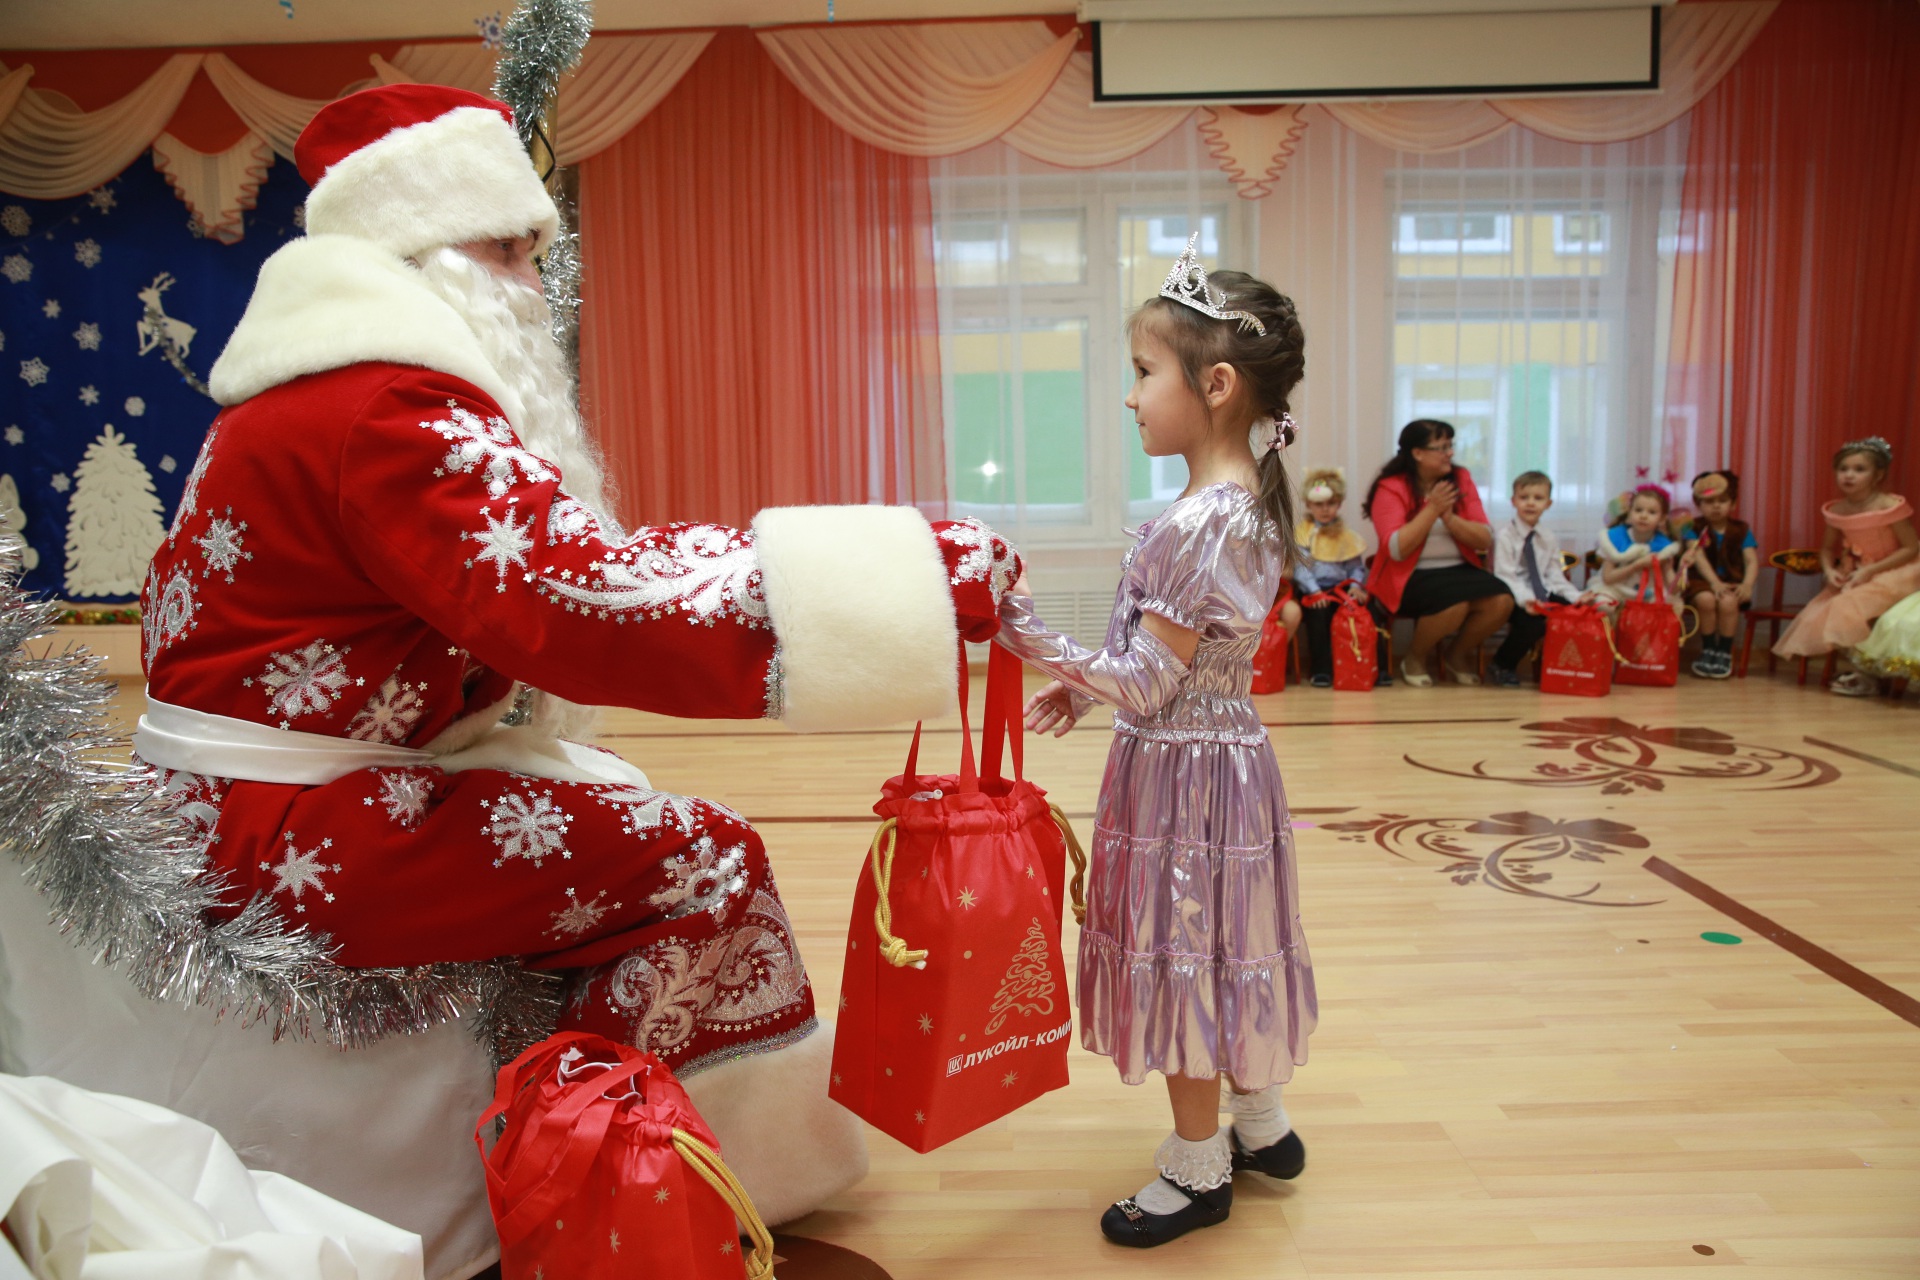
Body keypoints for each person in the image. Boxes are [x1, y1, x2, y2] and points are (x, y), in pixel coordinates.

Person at [132, 84, 1020, 1224]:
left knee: (602, 810)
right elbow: (581, 595)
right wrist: (921, 570)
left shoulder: (305, 395)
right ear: (424, 250)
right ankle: (635, 1168)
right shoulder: (390, 407)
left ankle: (590, 1120)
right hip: (293, 828)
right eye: (508, 249)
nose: (533, 285)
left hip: (248, 800)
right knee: (703, 857)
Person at [994, 241, 1314, 1247]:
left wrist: (1020, 623)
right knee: (1232, 938)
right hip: (1230, 757)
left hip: (1181, 776)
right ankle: (1261, 1120)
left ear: (1215, 385)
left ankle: (1197, 1166)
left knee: (1185, 952)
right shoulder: (1244, 501)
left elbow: (1147, 678)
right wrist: (1085, 694)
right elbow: (1186, 658)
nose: (1131, 396)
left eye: (1143, 371)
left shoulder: (1192, 523)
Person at [1361, 420, 1514, 687]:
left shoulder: (1460, 478)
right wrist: (1431, 510)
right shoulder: (1391, 486)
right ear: (1417, 453)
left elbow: (1485, 538)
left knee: (1501, 601)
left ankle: (1456, 655)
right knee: (1453, 604)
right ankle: (1414, 658)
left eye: (1450, 445)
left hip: (1459, 569)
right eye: (1441, 447)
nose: (1450, 453)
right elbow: (1396, 549)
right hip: (1408, 575)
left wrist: (1450, 518)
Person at [1773, 437, 1919, 696]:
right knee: (1829, 610)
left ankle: (1869, 674)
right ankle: (1867, 674)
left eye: (1859, 469)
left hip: (1898, 569)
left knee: (1845, 608)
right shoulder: (1838, 509)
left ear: (1878, 475)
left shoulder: (1888, 505)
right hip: (1858, 571)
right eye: (1843, 469)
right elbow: (1828, 548)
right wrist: (1830, 570)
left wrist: (1870, 571)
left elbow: (1911, 548)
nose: (1849, 475)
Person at [1488, 470, 1589, 686]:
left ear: (1548, 503)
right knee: (1533, 624)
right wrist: (1527, 601)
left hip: (1542, 590)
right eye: (1524, 498)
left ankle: (1565, 666)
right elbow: (1506, 575)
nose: (1531, 504)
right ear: (1513, 501)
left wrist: (1575, 596)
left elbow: (1554, 575)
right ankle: (1502, 663)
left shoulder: (1548, 537)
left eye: (1538, 498)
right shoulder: (1505, 536)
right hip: (1514, 593)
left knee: (1578, 612)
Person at [1292, 467, 1388, 688]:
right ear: (1309, 504)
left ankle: (1377, 668)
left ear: (1339, 504)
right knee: (1319, 614)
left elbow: (1355, 566)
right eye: (1319, 504)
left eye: (1331, 504)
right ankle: (1322, 670)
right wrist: (1314, 591)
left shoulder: (1346, 535)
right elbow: (1301, 568)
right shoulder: (1304, 532)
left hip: (1342, 589)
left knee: (1368, 613)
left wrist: (1356, 587)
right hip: (1315, 590)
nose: (1325, 509)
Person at [1682, 471, 1759, 679]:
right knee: (1706, 600)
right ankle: (1708, 649)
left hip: (1731, 581)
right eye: (1709, 501)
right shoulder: (1693, 528)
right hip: (1700, 581)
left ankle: (1723, 651)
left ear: (1733, 504)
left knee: (1728, 602)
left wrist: (1747, 584)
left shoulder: (1741, 529)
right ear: (1699, 505)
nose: (1716, 506)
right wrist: (1714, 583)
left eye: (1722, 501)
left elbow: (1751, 560)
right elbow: (1698, 557)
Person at [1594, 485, 1684, 607]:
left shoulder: (1664, 547)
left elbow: (1673, 589)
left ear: (1662, 519)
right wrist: (1637, 565)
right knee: (1604, 605)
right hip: (1616, 589)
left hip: (1647, 593)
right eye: (1638, 510)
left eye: (1652, 512)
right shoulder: (1615, 538)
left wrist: (1683, 567)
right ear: (1630, 512)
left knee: (1671, 605)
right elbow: (1608, 578)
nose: (1643, 516)